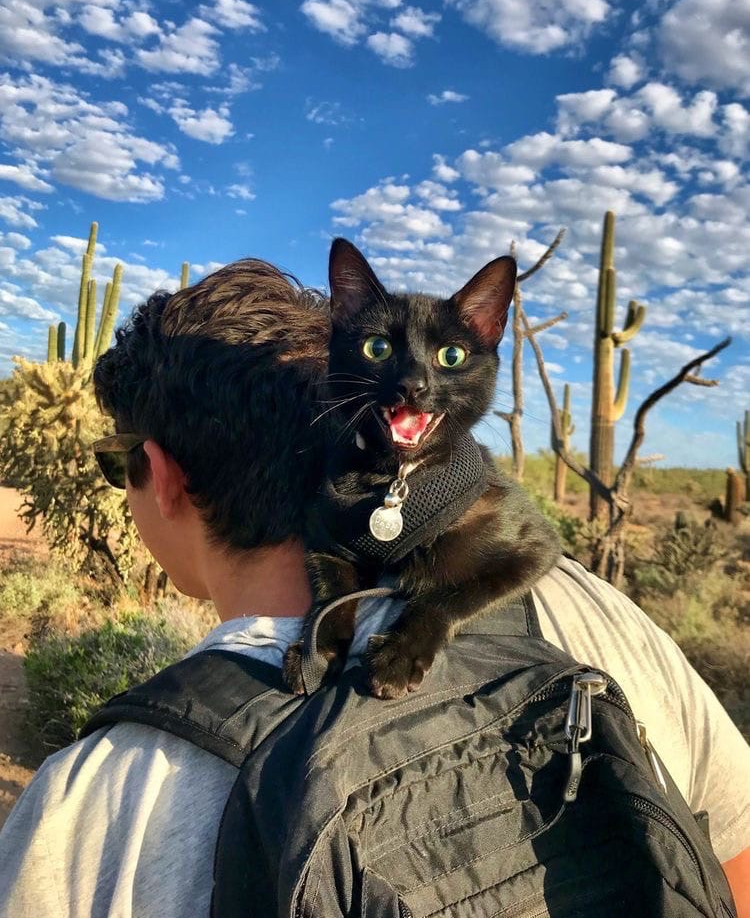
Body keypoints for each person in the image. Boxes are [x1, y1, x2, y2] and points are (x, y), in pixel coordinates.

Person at [0, 257, 747, 917]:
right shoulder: (608, 616)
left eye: (118, 463)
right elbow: (731, 867)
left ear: (163, 476)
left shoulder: (91, 804)